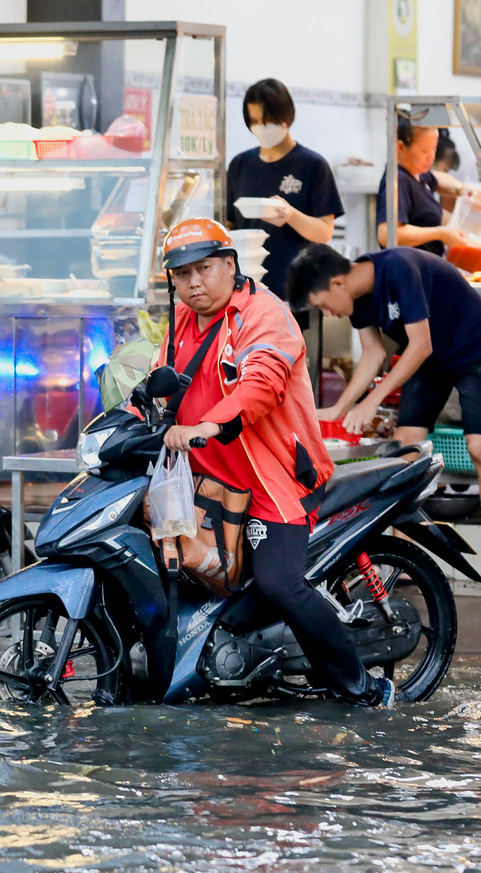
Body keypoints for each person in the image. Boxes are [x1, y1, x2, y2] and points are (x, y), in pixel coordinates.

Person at [155, 217, 395, 707]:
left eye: (204, 269)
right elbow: (161, 379)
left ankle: (363, 687)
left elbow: (261, 382)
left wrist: (210, 425)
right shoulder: (181, 320)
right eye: (182, 274)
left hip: (272, 478)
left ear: (230, 265)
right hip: (208, 477)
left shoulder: (264, 313)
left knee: (279, 583)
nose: (194, 282)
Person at [289, 242, 481, 598]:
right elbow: (373, 353)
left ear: (337, 283)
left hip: (472, 348)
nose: (327, 313)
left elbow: (420, 344)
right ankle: (404, 557)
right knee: (406, 449)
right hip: (429, 361)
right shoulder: (356, 296)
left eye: (322, 305)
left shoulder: (399, 268)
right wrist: (341, 407)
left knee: (480, 447)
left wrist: (372, 401)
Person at [225, 78, 343, 300]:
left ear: (287, 116)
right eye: (254, 121)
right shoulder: (240, 165)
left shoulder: (313, 165)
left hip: (297, 290)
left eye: (269, 120)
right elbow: (228, 225)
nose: (262, 128)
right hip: (246, 291)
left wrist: (290, 215)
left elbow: (324, 232)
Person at [376, 114, 481, 257]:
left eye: (434, 149)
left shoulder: (416, 174)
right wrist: (440, 233)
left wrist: (462, 189)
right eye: (424, 151)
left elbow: (436, 178)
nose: (431, 157)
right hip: (409, 267)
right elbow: (386, 234)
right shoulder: (398, 181)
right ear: (401, 147)